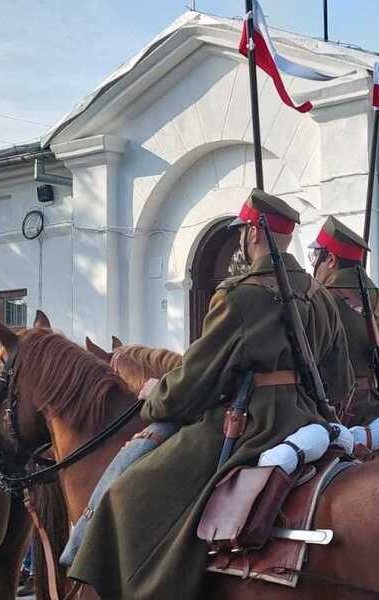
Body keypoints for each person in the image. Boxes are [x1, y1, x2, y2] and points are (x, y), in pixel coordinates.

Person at [68, 189, 354, 600]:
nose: (240, 239)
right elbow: (340, 381)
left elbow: (193, 383)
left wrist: (154, 396)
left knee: (126, 493)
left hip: (251, 426)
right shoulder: (321, 297)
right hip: (307, 421)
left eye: (242, 232)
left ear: (254, 234)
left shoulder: (239, 296)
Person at [309, 216, 379, 428]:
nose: (313, 265)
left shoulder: (317, 301)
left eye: (315, 257)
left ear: (330, 260)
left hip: (334, 419)